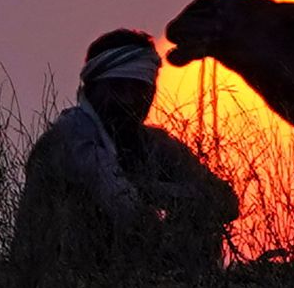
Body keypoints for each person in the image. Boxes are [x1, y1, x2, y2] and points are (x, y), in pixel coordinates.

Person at [13, 29, 239, 275]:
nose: (131, 100)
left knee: (198, 214)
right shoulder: (73, 137)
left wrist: (157, 192)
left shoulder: (153, 143)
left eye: (140, 88)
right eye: (119, 87)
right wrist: (162, 194)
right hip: (61, 280)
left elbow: (225, 201)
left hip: (132, 278)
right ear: (93, 89)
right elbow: (125, 209)